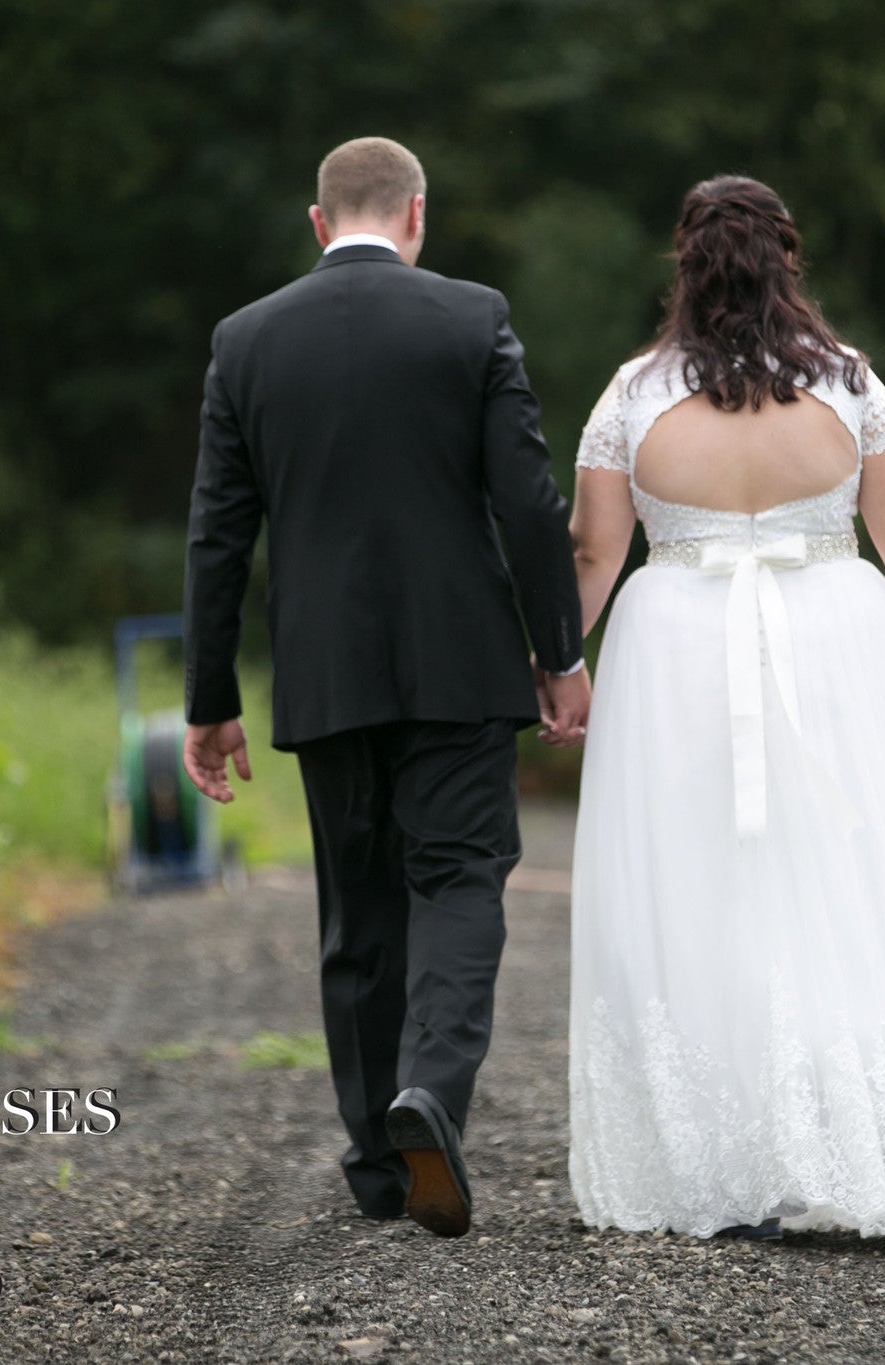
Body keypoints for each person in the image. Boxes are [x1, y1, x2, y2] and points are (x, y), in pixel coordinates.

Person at [561, 175, 885, 1252]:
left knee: (700, 889)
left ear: (684, 263)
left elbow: (591, 550)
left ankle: (733, 1163)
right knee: (862, 877)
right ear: (787, 262)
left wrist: (557, 664)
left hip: (675, 650)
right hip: (841, 642)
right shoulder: (852, 386)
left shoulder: (631, 395)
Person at [179, 136, 589, 1238]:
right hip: (459, 666)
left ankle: (375, 1163)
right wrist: (560, 653)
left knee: (357, 912)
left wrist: (207, 698)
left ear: (318, 224)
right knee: (458, 879)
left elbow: (218, 535)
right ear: (417, 216)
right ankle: (431, 1098)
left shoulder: (245, 340)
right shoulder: (470, 319)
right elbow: (528, 501)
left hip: (325, 674)